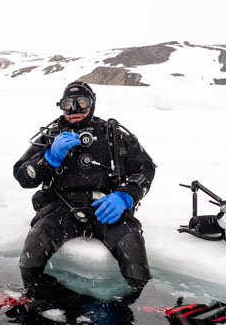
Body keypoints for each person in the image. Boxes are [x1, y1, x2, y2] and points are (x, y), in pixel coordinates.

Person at [13, 81, 156, 295]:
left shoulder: (111, 135)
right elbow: (22, 175)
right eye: (67, 104)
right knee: (33, 249)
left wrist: (125, 196)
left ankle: (139, 304)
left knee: (132, 245)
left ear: (92, 103)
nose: (75, 110)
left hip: (105, 207)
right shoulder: (51, 136)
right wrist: (49, 158)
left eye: (82, 102)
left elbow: (146, 168)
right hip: (60, 208)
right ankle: (33, 298)